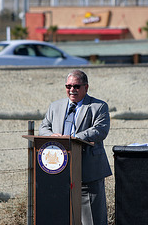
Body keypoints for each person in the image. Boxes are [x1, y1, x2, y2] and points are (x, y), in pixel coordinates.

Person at [39, 69, 112, 225]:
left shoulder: (98, 106)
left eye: (76, 86)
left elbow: (100, 130)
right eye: (68, 86)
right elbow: (44, 127)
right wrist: (52, 136)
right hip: (60, 172)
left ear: (86, 87)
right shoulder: (55, 106)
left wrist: (75, 138)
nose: (72, 90)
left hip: (88, 171)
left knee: (92, 219)